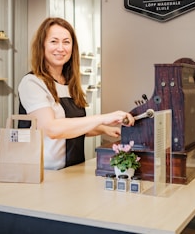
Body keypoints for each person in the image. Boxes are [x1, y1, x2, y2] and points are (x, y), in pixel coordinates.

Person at [18, 17, 135, 170]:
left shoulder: (69, 83)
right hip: (44, 174)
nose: (61, 48)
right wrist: (104, 118)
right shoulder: (32, 83)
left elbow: (74, 125)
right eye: (54, 41)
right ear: (42, 46)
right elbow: (52, 129)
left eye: (66, 42)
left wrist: (104, 129)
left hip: (72, 170)